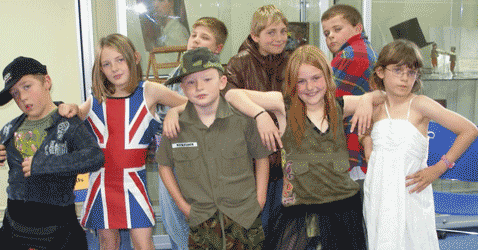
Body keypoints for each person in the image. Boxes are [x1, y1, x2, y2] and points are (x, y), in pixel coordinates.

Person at [222, 45, 385, 249]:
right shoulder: (284, 106)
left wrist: (367, 98)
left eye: (316, 78)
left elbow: (383, 96)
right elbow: (231, 95)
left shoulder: (339, 106)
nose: (310, 87)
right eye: (301, 81)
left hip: (343, 208)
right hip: (298, 211)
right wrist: (260, 114)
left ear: (327, 76)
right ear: (292, 82)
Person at [67, 34, 187, 250]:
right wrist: (69, 109)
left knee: (143, 243)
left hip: (134, 182)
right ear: (100, 69)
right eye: (106, 63)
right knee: (108, 243)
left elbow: (192, 105)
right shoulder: (96, 98)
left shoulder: (149, 91)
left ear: (135, 58)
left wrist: (173, 113)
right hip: (102, 183)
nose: (114, 68)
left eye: (120, 59)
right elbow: (75, 114)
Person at [0, 56, 104, 249]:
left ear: (47, 81)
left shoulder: (68, 122)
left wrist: (45, 164)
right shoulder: (11, 128)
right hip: (14, 229)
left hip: (58, 230)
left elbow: (95, 157)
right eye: (15, 93)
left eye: (26, 86)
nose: (22, 97)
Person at [362, 39, 478, 249]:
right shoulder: (376, 106)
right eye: (397, 70)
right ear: (380, 72)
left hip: (410, 191)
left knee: (413, 241)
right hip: (379, 191)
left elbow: (469, 130)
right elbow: (366, 131)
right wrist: (367, 144)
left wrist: (440, 167)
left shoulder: (420, 104)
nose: (405, 78)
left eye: (412, 72)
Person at [156, 47, 272, 249]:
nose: (199, 87)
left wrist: (260, 199)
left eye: (207, 79)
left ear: (222, 82)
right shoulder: (176, 126)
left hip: (243, 217)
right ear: (182, 88)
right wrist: (183, 206)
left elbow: (261, 157)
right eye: (191, 82)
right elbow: (164, 165)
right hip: (202, 221)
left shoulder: (242, 120)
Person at [155, 16, 228, 250]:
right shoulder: (175, 73)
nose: (195, 40)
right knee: (176, 229)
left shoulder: (218, 78)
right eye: (194, 35)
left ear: (218, 49)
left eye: (204, 37)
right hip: (172, 164)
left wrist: (178, 109)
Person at [223, 5, 289, 244]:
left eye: (283, 31)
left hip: (283, 163)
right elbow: (227, 97)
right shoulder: (239, 63)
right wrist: (261, 113)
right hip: (251, 165)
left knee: (280, 229)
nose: (279, 38)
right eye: (271, 32)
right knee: (252, 230)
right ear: (255, 35)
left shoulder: (290, 62)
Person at [321, 4, 378, 181]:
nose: (330, 36)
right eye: (326, 33)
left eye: (337, 29)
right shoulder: (365, 50)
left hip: (353, 147)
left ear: (358, 28)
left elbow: (326, 101)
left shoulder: (351, 55)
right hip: (361, 145)